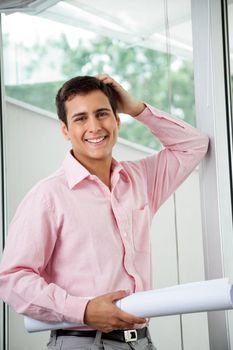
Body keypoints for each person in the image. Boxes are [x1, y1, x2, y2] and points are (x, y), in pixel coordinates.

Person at [0, 74, 209, 349]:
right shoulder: (48, 196)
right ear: (65, 130)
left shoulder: (140, 180)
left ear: (117, 120)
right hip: (81, 342)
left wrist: (137, 109)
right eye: (80, 118)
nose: (94, 126)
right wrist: (83, 309)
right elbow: (13, 279)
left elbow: (192, 145)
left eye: (102, 114)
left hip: (142, 342)